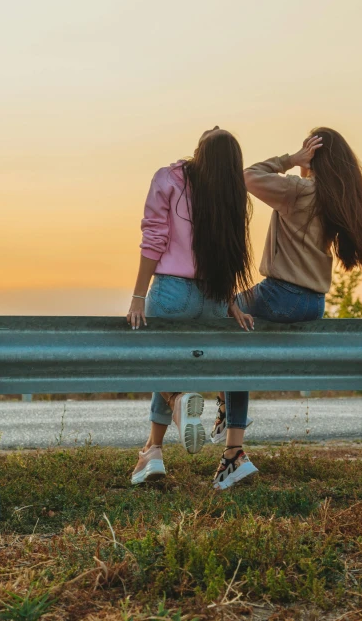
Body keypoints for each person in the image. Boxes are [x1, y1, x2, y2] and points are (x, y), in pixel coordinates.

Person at [211, 127, 362, 443]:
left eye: (305, 152)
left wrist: (289, 159)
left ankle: (230, 420)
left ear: (312, 156)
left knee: (222, 315)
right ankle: (228, 419)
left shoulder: (298, 191)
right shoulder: (332, 199)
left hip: (281, 295)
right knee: (239, 341)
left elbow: (248, 176)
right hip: (313, 303)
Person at [127, 127, 258, 490]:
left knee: (158, 359)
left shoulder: (170, 178)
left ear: (201, 151)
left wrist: (139, 295)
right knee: (202, 366)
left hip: (173, 291)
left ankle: (174, 408)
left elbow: (154, 235)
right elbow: (228, 254)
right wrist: (231, 302)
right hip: (215, 297)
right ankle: (155, 451)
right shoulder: (232, 193)